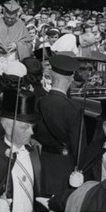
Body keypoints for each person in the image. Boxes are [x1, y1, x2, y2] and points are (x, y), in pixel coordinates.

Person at [33, 54, 84, 194]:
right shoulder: (73, 108)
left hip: (40, 162)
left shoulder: (39, 102)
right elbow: (79, 147)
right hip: (63, 167)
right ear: (70, 79)